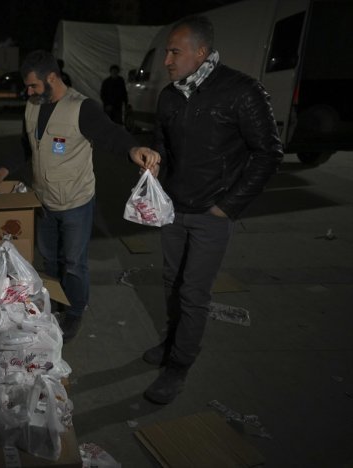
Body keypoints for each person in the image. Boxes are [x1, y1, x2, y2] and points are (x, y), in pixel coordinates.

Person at [132, 15, 283, 405]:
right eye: (166, 51)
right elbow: (161, 141)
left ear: (201, 52)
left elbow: (268, 153)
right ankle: (171, 343)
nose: (166, 60)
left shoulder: (242, 91)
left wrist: (228, 206)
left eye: (175, 51)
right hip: (173, 210)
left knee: (194, 293)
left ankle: (179, 366)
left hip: (211, 215)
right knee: (171, 283)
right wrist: (155, 158)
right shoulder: (169, 96)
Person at [0, 50, 160, 342]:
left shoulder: (81, 108)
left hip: (75, 204)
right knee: (50, 260)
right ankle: (56, 303)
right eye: (27, 86)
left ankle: (76, 311)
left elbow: (110, 134)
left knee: (73, 263)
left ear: (52, 77)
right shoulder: (32, 106)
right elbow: (27, 144)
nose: (28, 92)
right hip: (43, 200)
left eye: (33, 85)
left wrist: (133, 150)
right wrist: (7, 166)